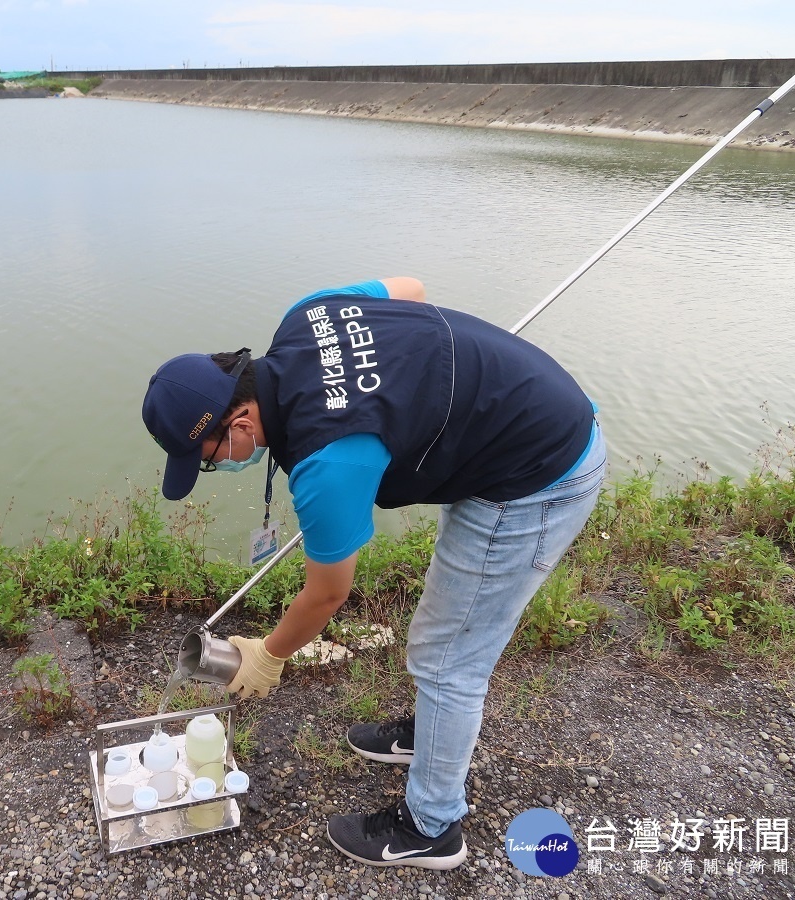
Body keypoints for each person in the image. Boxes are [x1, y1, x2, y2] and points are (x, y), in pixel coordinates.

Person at [141, 277, 605, 871]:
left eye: (209, 458)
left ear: (239, 423)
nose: (218, 466)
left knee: (449, 659)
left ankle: (432, 828)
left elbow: (327, 593)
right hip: (515, 419)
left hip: (538, 473)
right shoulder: (305, 316)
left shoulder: (329, 461)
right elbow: (410, 290)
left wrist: (268, 654)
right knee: (441, 636)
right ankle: (428, 735)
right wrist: (411, 388)